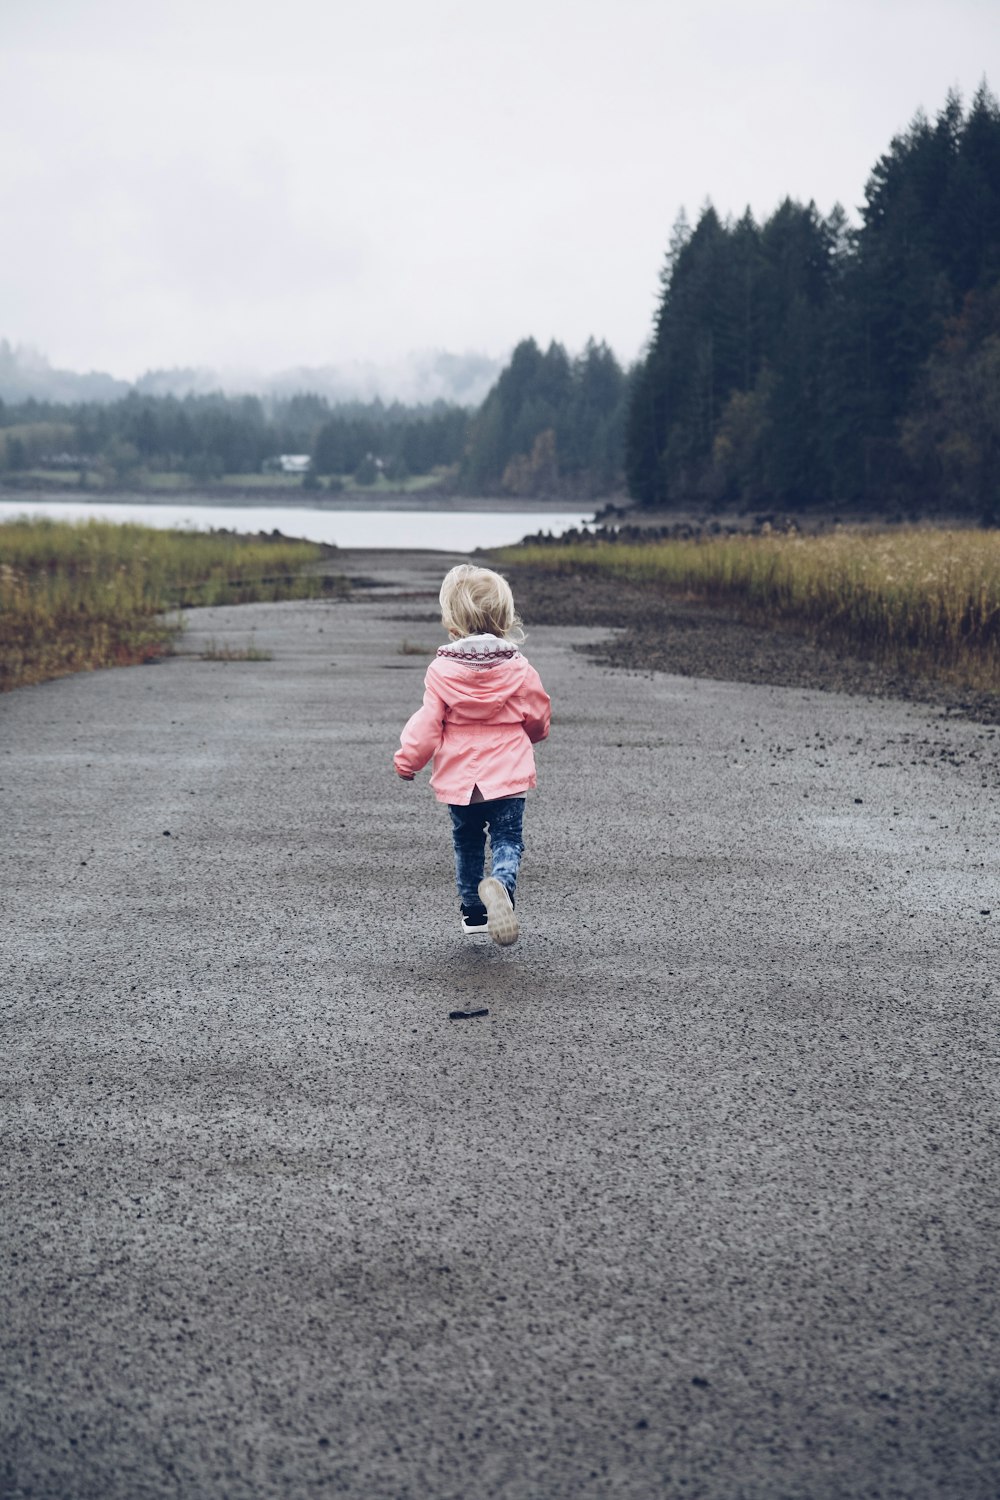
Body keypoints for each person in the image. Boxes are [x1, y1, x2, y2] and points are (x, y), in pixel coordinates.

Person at [394, 564, 551, 946]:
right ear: (503, 618)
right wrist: (532, 734)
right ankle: (501, 885)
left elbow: (428, 723)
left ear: (453, 622)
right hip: (508, 774)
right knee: (507, 839)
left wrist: (408, 759)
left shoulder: (441, 671)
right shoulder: (519, 668)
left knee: (466, 841)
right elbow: (538, 715)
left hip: (462, 779)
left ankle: (473, 911)